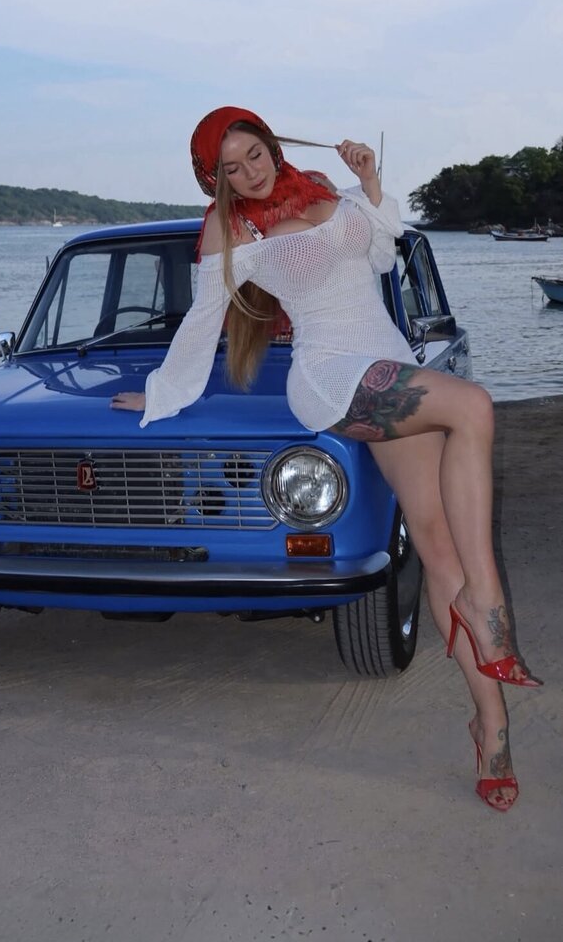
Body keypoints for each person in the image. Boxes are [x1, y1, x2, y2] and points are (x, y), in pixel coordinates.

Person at [111, 105, 541, 811]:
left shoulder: (317, 187)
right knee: (473, 406)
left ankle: (490, 726)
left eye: (254, 154)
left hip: (390, 362)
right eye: (231, 168)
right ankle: (486, 600)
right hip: (332, 376)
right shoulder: (231, 229)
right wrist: (160, 392)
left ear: (271, 144)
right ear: (213, 178)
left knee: (439, 549)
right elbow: (202, 320)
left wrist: (368, 185)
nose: (250, 172)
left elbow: (379, 257)